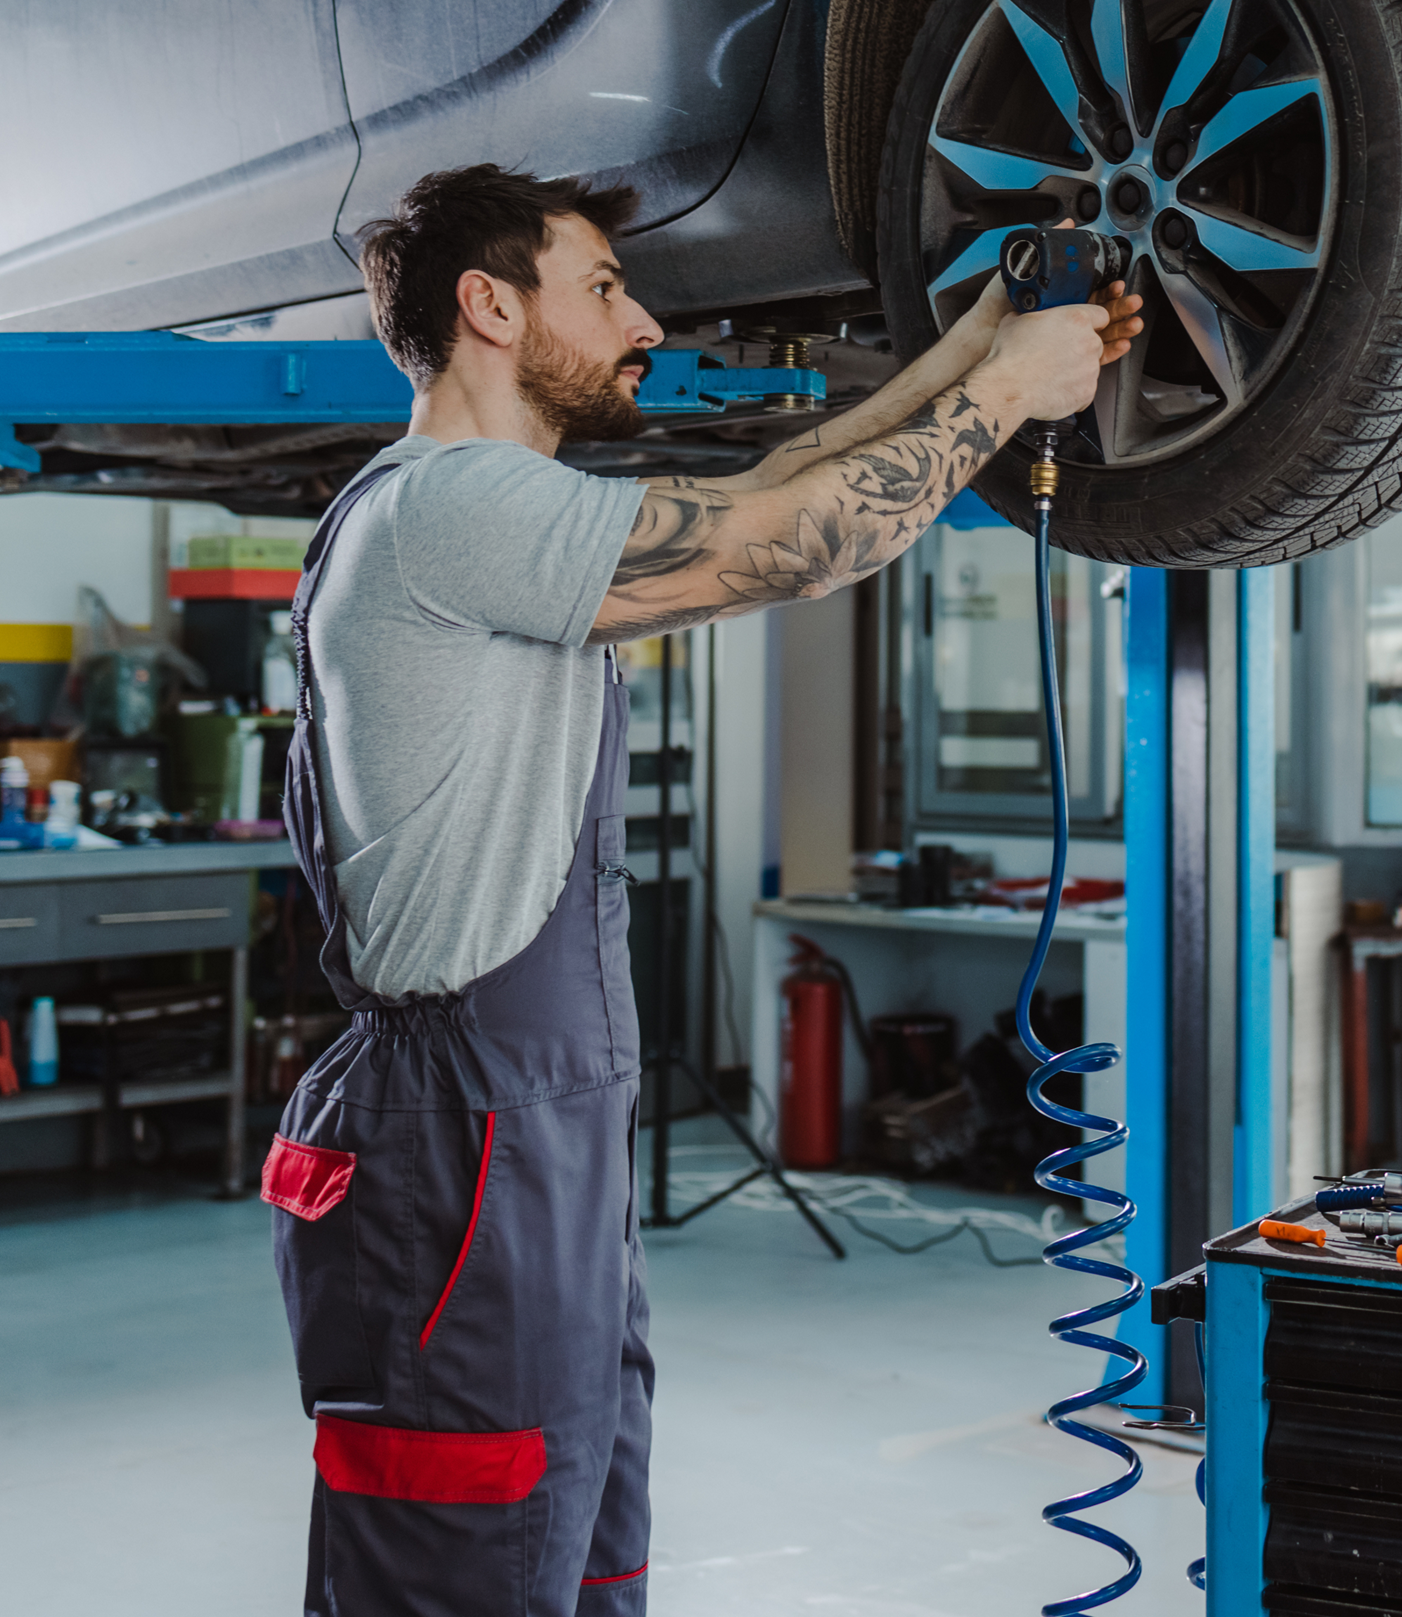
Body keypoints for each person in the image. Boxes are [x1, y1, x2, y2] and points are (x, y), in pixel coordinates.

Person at [255, 164, 1140, 1616]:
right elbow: (787, 545)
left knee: (583, 1543)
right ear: (489, 306)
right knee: (465, 1556)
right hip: (460, 1148)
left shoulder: (505, 509)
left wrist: (986, 340)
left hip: (540, 1134)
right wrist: (1003, 404)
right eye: (602, 287)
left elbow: (765, 487)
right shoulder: (447, 510)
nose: (644, 317)